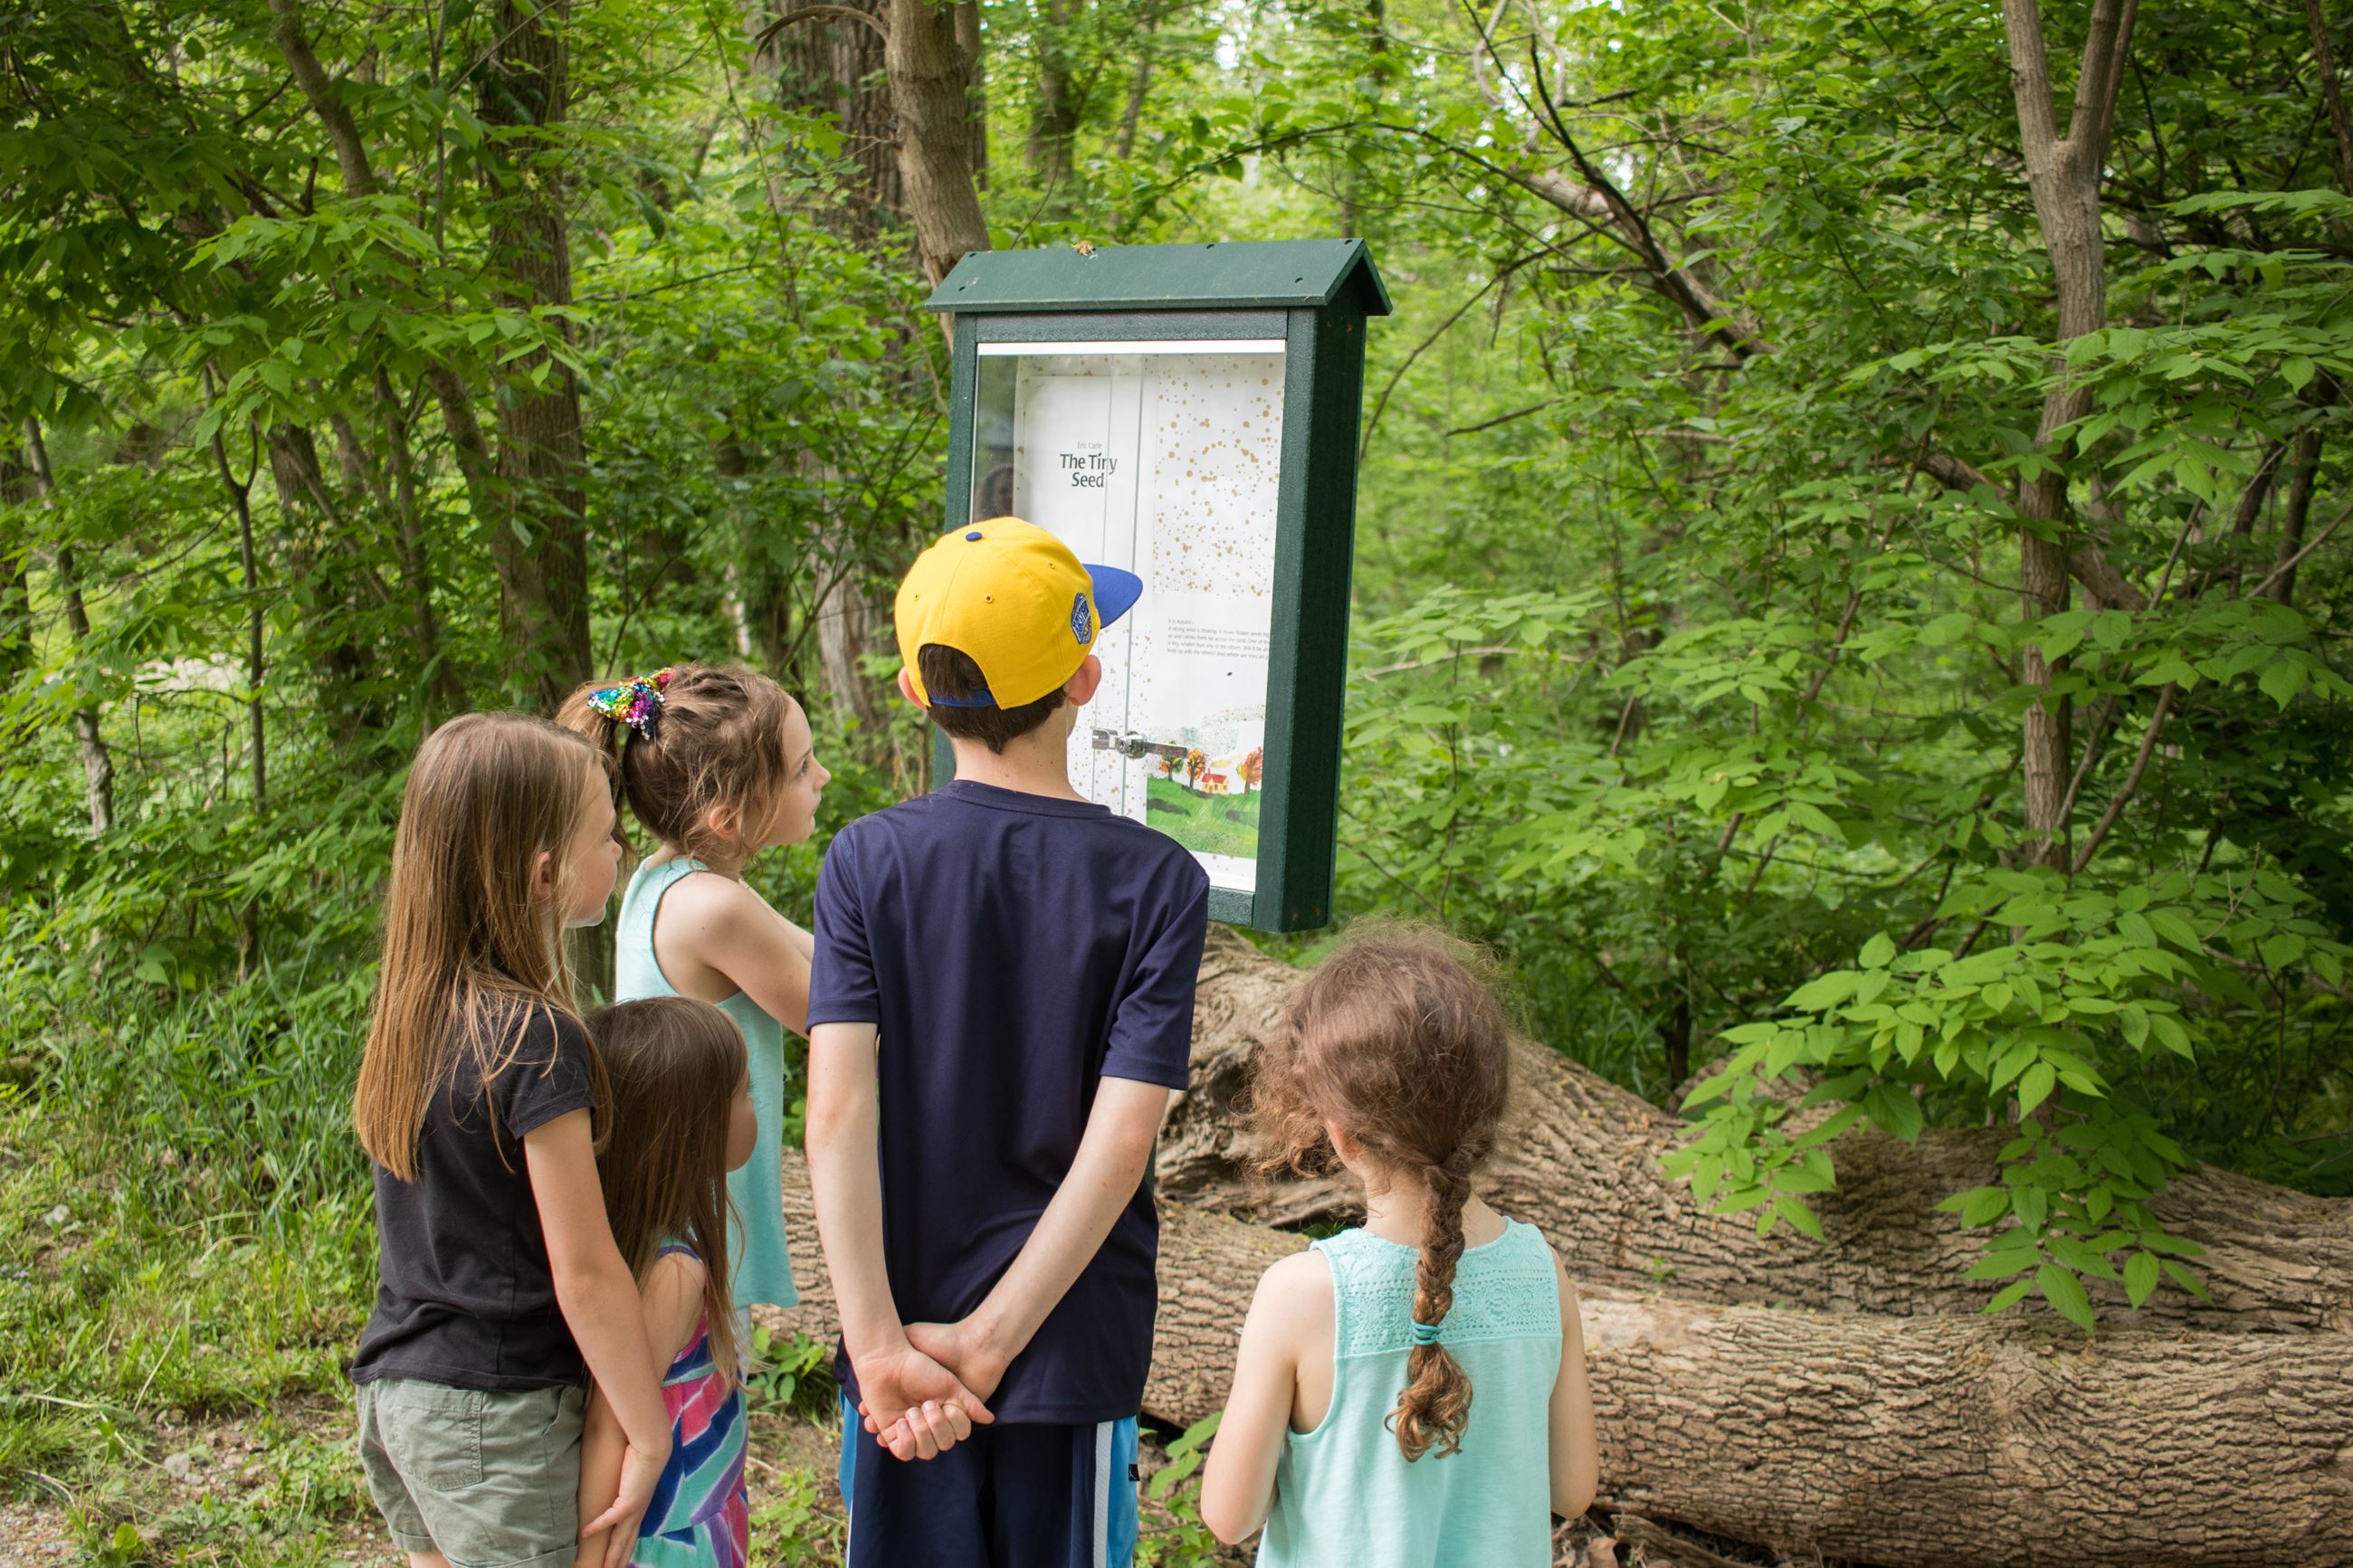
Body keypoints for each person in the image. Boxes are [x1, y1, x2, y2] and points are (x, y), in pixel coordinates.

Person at [804, 517, 1212, 1568]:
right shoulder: (1158, 880)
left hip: (901, 1341)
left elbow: (839, 1111)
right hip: (1063, 1344)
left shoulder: (864, 860)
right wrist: (990, 1345)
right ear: (1084, 679)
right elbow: (1118, 1145)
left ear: (911, 691)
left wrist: (879, 1344)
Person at [351, 713, 670, 1568]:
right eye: (607, 836)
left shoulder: (413, 1014)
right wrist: (647, 1431)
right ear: (541, 873)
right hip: (496, 1418)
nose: (619, 853)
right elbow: (588, 1271)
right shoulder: (535, 1036)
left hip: (399, 1395)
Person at [1196, 927, 1604, 1567]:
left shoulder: (1302, 1294)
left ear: (1341, 1134)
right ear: (1486, 1112)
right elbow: (1574, 1490)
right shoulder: (1541, 1271)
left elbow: (1229, 1515)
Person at [557, 663, 829, 1326]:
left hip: (678, 1191)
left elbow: (830, 959)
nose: (820, 776)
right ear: (728, 817)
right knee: (699, 1401)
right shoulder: (711, 906)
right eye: (800, 767)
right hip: (694, 1214)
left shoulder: (672, 875)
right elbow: (839, 1015)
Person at [573, 996, 758, 1568]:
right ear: (693, 1126)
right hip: (666, 1547)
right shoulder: (673, 1273)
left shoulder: (634, 1247)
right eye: (744, 1093)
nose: (756, 1105)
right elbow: (611, 1425)